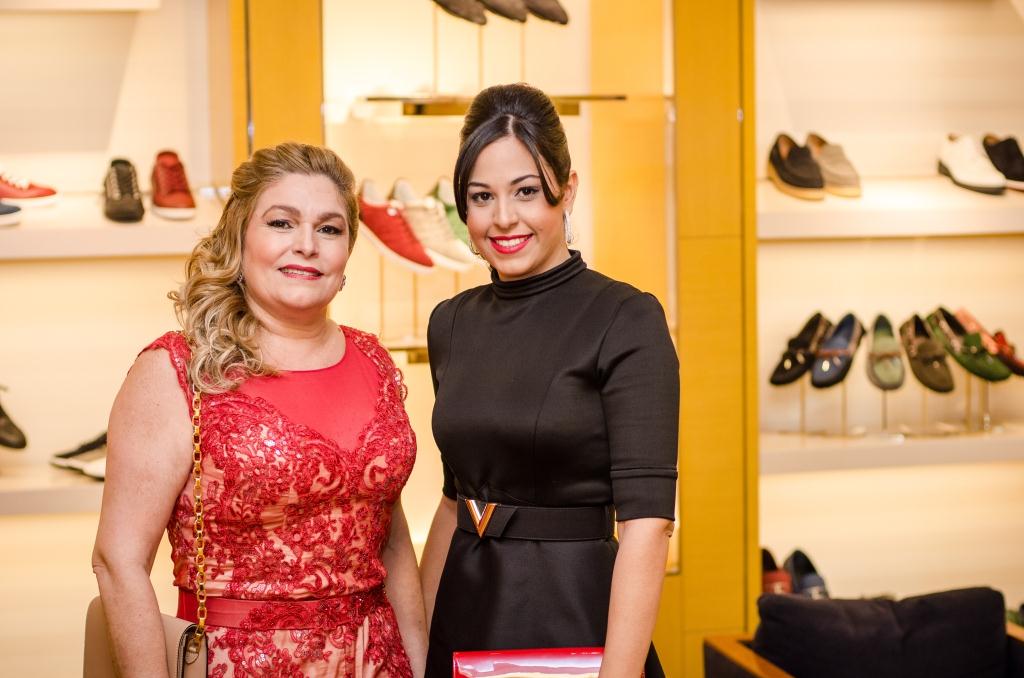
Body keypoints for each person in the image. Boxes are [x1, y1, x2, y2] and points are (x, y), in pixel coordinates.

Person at [92, 142, 427, 677]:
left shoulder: (373, 360)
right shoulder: (176, 370)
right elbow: (118, 562)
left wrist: (418, 662)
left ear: (347, 251)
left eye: (329, 228)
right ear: (239, 237)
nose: (306, 245)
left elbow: (391, 540)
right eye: (281, 223)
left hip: (378, 660)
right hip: (238, 664)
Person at [419, 84, 680, 677]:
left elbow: (648, 526)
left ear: (568, 190)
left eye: (526, 191)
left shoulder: (626, 318)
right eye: (481, 197)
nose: (502, 218)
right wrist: (419, 645)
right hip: (466, 612)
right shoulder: (450, 323)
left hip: (574, 620)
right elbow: (454, 500)